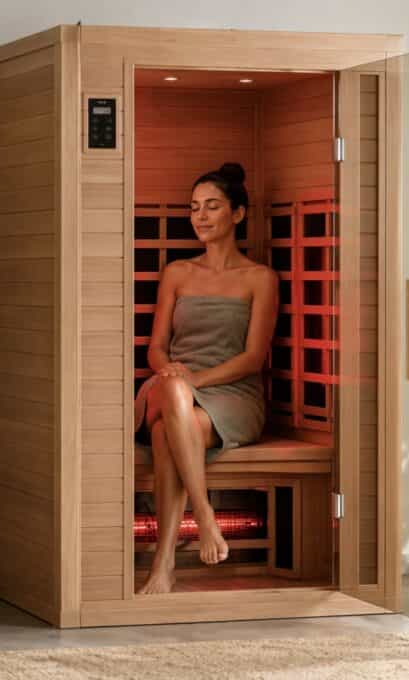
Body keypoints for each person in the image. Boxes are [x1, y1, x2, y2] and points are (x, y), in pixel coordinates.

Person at [133, 162, 279, 595]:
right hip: (170, 385)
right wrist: (172, 373)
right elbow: (157, 347)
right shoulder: (177, 272)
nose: (200, 216)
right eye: (194, 207)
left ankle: (163, 566)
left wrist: (195, 379)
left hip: (232, 393)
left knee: (165, 435)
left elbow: (253, 358)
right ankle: (204, 514)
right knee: (172, 395)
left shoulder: (260, 279)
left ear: (237, 213)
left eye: (212, 206)